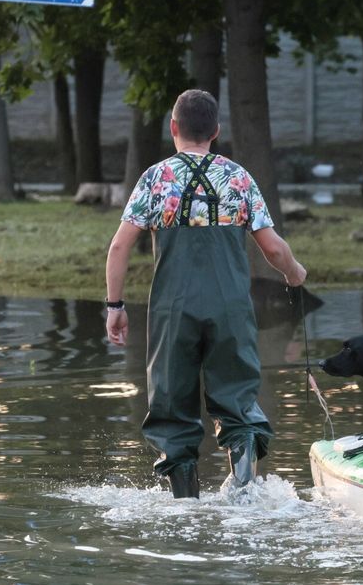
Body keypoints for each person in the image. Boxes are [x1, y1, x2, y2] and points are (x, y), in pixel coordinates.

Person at [104, 89, 307, 498]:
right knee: (237, 401)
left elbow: (119, 247)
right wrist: (295, 274)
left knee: (171, 408)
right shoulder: (238, 178)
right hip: (230, 308)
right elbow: (272, 248)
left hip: (172, 312)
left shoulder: (156, 179)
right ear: (215, 131)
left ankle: (185, 505)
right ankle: (245, 471)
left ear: (173, 128)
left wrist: (115, 306)